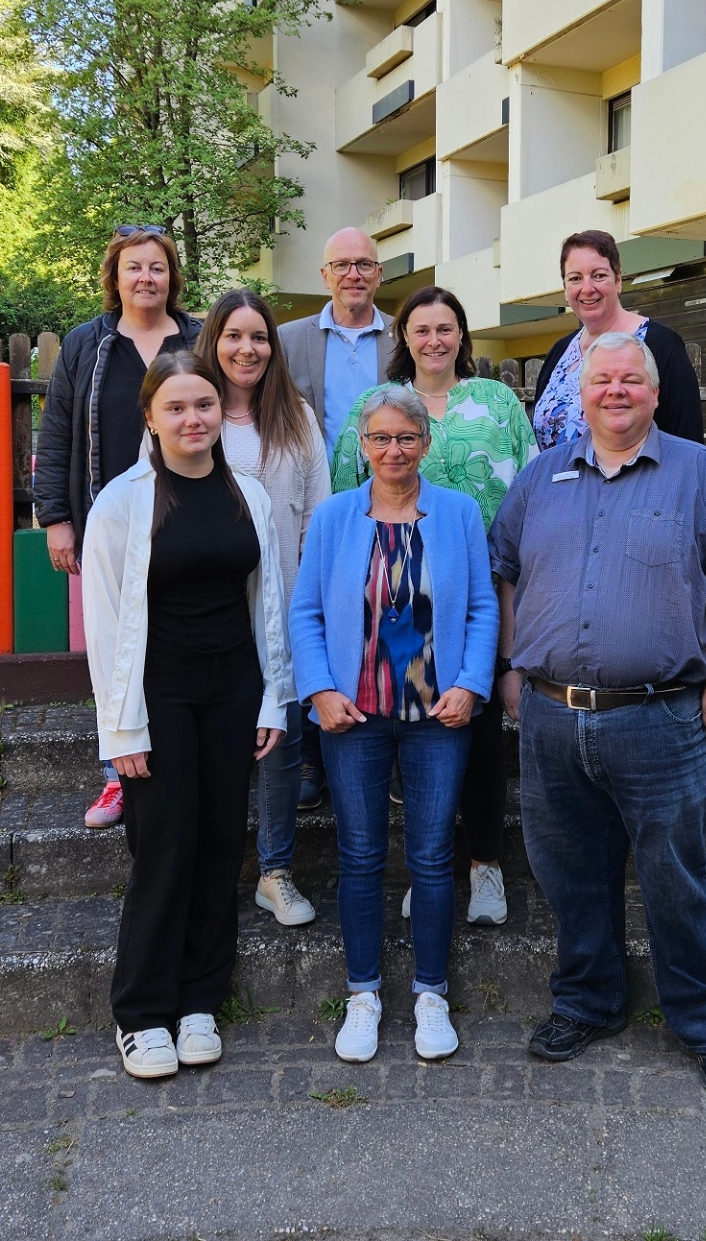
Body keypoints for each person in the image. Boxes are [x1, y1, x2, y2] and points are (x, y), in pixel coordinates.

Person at [491, 332, 706, 1099]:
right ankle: (588, 1003)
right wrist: (515, 666)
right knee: (570, 873)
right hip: (551, 718)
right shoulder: (542, 476)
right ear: (579, 395)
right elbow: (507, 570)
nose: (615, 391)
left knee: (677, 878)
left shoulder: (700, 473)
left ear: (653, 391)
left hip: (660, 719)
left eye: (630, 380)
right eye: (601, 380)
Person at [80, 351, 293, 1080]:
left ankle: (201, 1000)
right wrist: (123, 730)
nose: (192, 418)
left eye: (203, 404)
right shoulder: (122, 502)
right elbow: (105, 625)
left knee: (217, 846)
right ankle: (141, 1013)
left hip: (233, 689)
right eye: (175, 407)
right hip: (159, 694)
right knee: (164, 850)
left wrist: (273, 697)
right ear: (150, 417)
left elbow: (268, 602)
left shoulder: (250, 495)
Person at [290, 384, 498, 1064]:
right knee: (358, 856)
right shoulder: (334, 518)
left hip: (439, 716)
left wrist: (471, 684)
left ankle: (431, 995)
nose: (393, 450)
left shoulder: (460, 514)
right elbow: (306, 614)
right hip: (353, 718)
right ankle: (363, 996)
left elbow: (481, 610)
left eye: (406, 437)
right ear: (362, 445)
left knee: (434, 856)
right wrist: (319, 689)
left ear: (426, 443)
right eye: (379, 438)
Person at [330, 286, 534, 926]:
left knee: (476, 731)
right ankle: (431, 866)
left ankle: (486, 866)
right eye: (421, 329)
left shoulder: (496, 401)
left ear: (462, 335)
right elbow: (345, 493)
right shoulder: (376, 407)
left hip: (484, 590)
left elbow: (529, 485)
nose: (434, 339)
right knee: (416, 736)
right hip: (393, 602)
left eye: (446, 327)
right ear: (405, 338)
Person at [34, 225, 205, 831]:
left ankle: (187, 759)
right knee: (114, 648)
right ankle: (117, 774)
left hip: (189, 519)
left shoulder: (197, 338)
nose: (146, 278)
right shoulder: (88, 344)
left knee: (182, 640)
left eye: (157, 268)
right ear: (115, 277)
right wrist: (56, 517)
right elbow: (56, 431)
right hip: (107, 524)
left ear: (172, 277)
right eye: (134, 268)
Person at [196, 288, 329, 929]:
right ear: (213, 342)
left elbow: (320, 516)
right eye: (233, 336)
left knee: (281, 744)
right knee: (218, 741)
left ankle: (275, 872)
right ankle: (214, 867)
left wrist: (312, 603)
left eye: (259, 337)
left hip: (286, 603)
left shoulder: (295, 418)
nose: (247, 348)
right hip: (209, 610)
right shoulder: (192, 410)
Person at [278, 227, 400, 812]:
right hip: (319, 508)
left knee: (387, 619)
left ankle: (393, 746)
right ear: (324, 275)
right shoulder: (289, 340)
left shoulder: (406, 336)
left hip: (393, 501)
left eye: (366, 265)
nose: (354, 274)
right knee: (317, 619)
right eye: (342, 265)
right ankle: (310, 755)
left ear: (379, 274)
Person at [529, 230, 703, 451]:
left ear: (618, 280)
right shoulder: (560, 352)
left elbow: (687, 441)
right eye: (575, 278)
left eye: (599, 275)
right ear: (565, 289)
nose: (587, 288)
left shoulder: (661, 345)